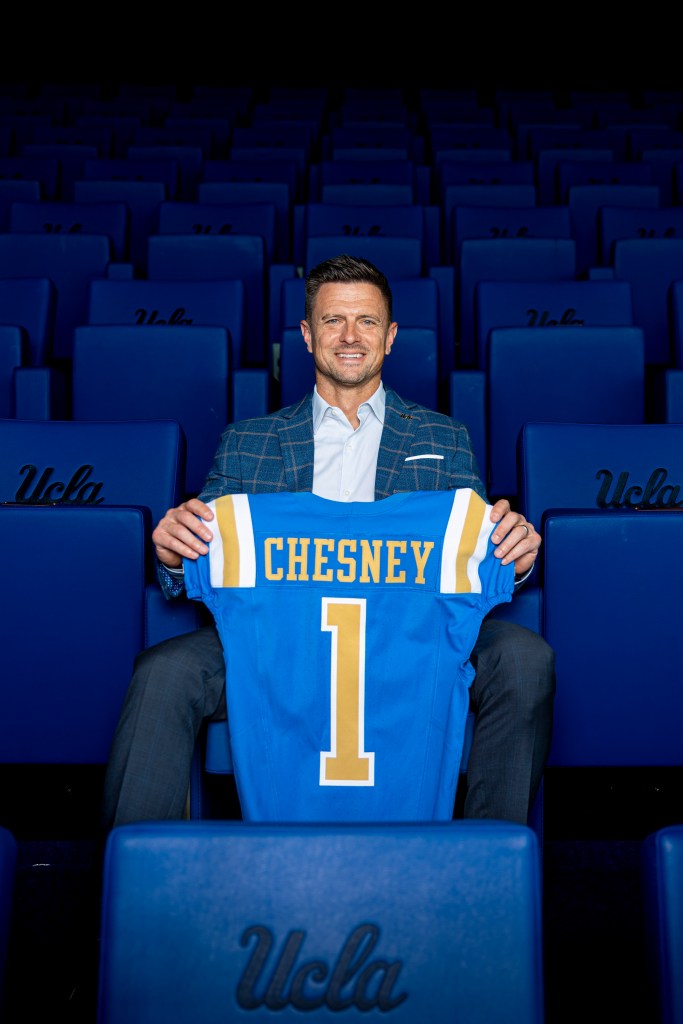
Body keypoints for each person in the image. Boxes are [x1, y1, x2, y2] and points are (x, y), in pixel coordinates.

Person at [101, 253, 555, 830]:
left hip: (410, 627)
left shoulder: (444, 436)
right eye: (333, 320)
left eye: (366, 321)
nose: (349, 336)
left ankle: (489, 868)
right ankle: (137, 889)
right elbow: (200, 548)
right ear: (307, 334)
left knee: (524, 658)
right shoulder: (250, 443)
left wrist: (514, 557)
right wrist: (170, 554)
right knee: (164, 672)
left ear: (390, 338)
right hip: (280, 633)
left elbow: (475, 552)